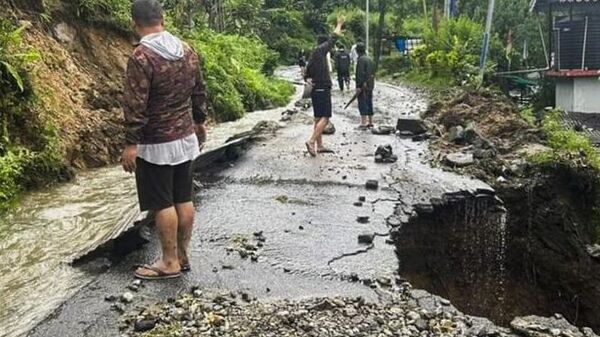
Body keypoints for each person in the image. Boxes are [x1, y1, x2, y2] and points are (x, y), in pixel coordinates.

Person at [121, 0, 207, 280]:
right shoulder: (187, 50)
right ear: (163, 19)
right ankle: (182, 255)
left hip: (155, 144)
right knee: (183, 197)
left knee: (162, 202)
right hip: (185, 138)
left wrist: (131, 143)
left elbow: (135, 104)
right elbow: (199, 90)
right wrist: (199, 121)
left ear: (135, 23)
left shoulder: (142, 57)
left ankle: (169, 262)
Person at [303, 17, 345, 156]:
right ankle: (312, 141)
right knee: (326, 117)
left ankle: (319, 146)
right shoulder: (320, 52)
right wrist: (339, 24)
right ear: (324, 44)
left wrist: (309, 80)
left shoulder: (312, 54)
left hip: (316, 89)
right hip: (322, 88)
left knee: (317, 118)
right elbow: (334, 38)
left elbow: (306, 73)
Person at [355, 42, 375, 129]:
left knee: (362, 103)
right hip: (370, 84)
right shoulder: (369, 59)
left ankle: (363, 123)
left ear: (357, 51)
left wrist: (359, 86)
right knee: (369, 102)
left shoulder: (361, 60)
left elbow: (360, 74)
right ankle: (370, 121)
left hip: (363, 86)